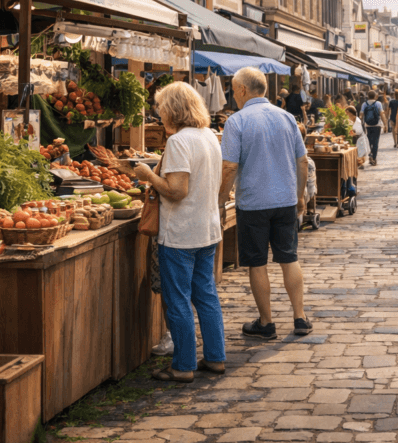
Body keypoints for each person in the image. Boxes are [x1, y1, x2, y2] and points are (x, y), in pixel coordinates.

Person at [111, 83, 225, 383]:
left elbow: (176, 191)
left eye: (160, 107)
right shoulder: (209, 136)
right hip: (207, 229)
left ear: (173, 109)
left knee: (177, 300)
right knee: (206, 296)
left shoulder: (178, 142)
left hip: (181, 233)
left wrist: (148, 175)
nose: (158, 112)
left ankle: (183, 365)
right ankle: (215, 358)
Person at [218, 68, 310, 340]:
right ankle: (300, 317)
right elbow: (302, 161)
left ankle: (267, 322)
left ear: (243, 90)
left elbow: (230, 167)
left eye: (234, 90)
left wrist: (221, 201)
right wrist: (300, 195)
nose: (233, 95)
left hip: (254, 203)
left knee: (257, 263)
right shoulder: (287, 118)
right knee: (288, 257)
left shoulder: (237, 121)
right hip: (284, 200)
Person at [359, 90, 385, 166]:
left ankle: (370, 155)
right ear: (375, 96)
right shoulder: (378, 103)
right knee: (376, 142)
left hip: (368, 125)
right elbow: (382, 114)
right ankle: (374, 158)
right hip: (377, 125)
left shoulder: (364, 104)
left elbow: (361, 114)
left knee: (369, 141)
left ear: (367, 96)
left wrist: (361, 122)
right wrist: (385, 124)